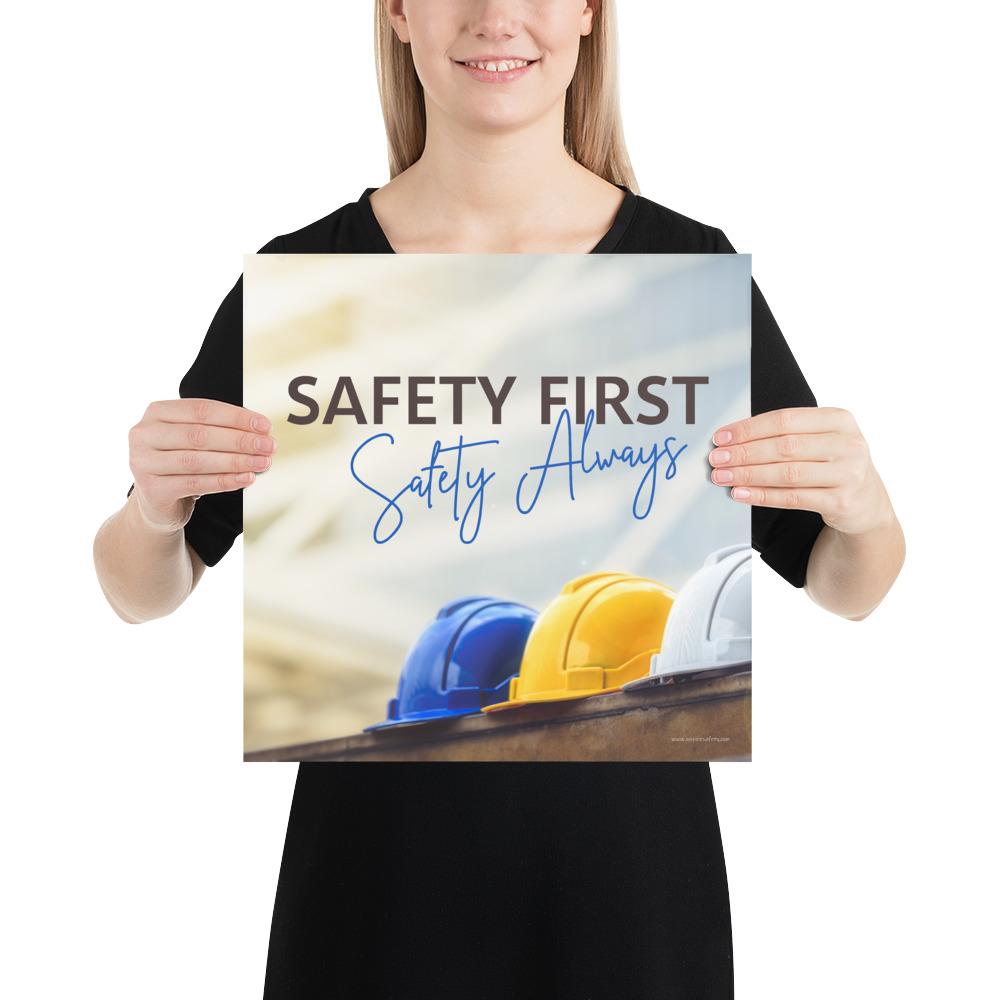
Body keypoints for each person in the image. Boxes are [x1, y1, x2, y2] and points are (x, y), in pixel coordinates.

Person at [92, 1, 905, 996]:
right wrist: (154, 509)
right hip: (374, 902)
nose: (495, 16)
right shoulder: (307, 283)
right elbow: (141, 590)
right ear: (398, 12)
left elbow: (845, 583)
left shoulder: (687, 274)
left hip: (631, 905)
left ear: (588, 13)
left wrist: (864, 508)